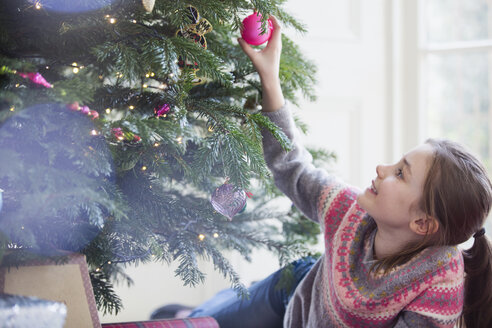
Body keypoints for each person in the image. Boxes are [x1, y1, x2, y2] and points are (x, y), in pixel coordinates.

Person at [189, 16, 492, 328]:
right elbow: (290, 165)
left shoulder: (438, 279)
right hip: (294, 293)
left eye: (401, 174)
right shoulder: (348, 210)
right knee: (196, 322)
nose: (382, 168)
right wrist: (270, 77)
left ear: (422, 222)